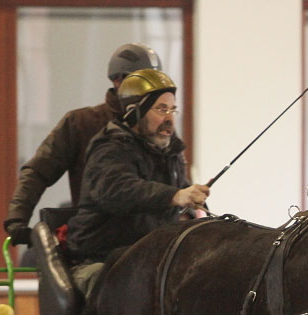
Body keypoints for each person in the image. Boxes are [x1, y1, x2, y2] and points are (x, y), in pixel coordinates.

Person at [66, 69, 209, 297]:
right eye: (161, 109)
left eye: (173, 109)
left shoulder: (170, 152)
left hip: (151, 260)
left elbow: (182, 194)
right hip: (101, 261)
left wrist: (194, 209)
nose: (170, 118)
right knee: (128, 295)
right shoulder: (110, 148)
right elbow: (117, 190)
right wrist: (176, 196)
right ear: (134, 113)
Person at [4, 42, 163, 247]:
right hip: (98, 244)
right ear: (117, 81)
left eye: (154, 84)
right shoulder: (81, 123)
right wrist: (17, 219)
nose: (150, 91)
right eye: (141, 83)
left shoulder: (161, 128)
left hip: (153, 245)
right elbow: (37, 172)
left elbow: (178, 182)